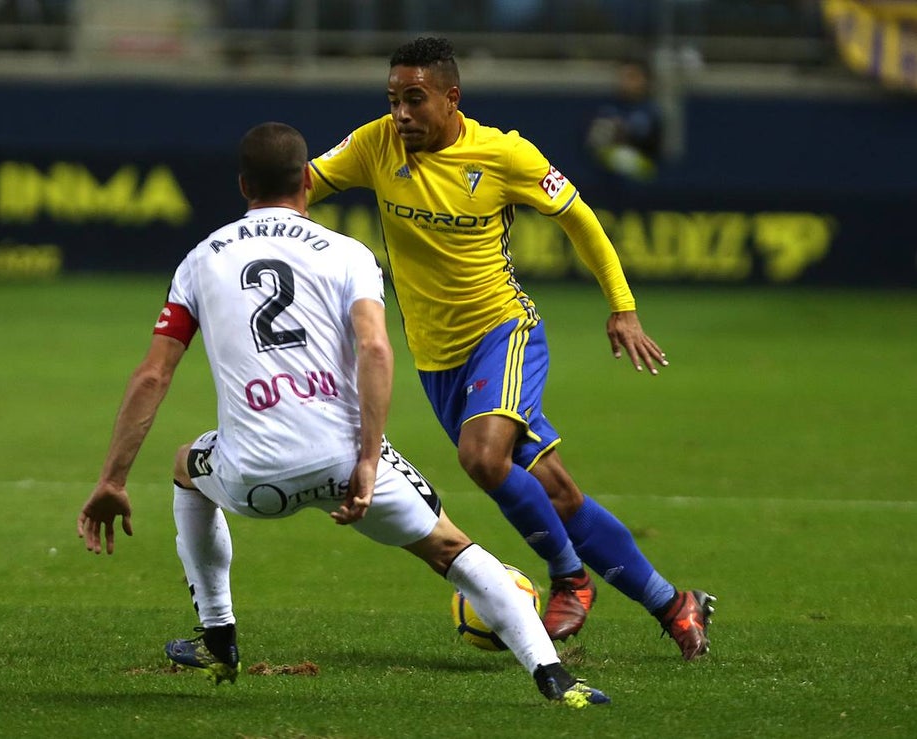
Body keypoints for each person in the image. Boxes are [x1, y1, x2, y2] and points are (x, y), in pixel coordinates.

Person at [76, 121, 610, 708]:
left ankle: (218, 637)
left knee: (186, 467)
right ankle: (555, 679)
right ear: (307, 182)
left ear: (244, 185)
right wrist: (368, 459)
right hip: (347, 467)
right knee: (450, 549)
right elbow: (375, 349)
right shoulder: (348, 253)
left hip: (252, 476)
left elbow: (153, 375)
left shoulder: (201, 260)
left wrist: (112, 480)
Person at [306, 37, 715, 659]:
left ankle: (570, 580)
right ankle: (674, 604)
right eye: (393, 100)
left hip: (502, 331)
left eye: (414, 99)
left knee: (482, 458)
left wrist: (623, 306)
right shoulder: (374, 145)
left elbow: (579, 218)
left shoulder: (504, 154)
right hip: (437, 360)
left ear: (451, 97)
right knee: (555, 492)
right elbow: (300, 185)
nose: (401, 114)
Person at [585, 60, 664, 182]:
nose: (626, 82)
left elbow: (656, 147)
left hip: (643, 174)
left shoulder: (651, 110)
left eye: (632, 77)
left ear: (644, 80)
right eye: (623, 77)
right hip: (606, 176)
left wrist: (625, 132)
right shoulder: (607, 107)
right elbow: (591, 143)